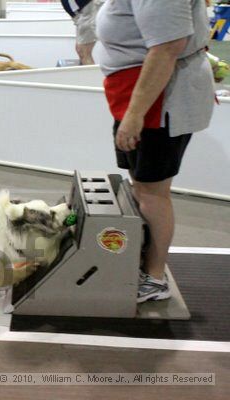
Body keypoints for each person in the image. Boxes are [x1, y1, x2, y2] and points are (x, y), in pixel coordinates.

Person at [94, 0, 215, 303]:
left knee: (152, 192)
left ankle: (155, 278)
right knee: (143, 187)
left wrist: (135, 115)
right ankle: (143, 263)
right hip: (141, 93)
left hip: (158, 101)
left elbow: (168, 47)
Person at [60, 0, 104, 65]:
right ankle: (89, 74)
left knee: (83, 51)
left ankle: (91, 74)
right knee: (80, 50)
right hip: (82, 11)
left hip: (88, 8)